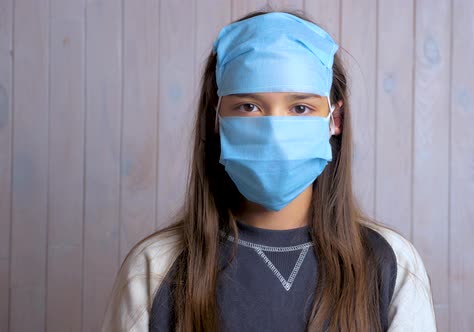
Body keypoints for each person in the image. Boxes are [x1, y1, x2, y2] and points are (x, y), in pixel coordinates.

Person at [101, 10, 436, 332]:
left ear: (334, 119)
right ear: (217, 118)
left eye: (300, 107)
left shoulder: (392, 264)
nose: (275, 132)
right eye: (249, 106)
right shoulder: (155, 268)